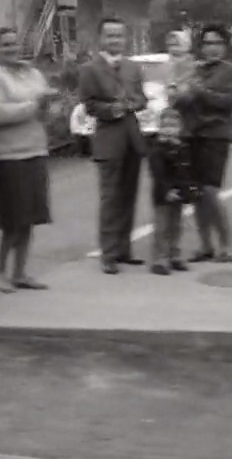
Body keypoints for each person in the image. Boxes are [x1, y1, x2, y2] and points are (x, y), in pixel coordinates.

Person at [0, 27, 55, 292]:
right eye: (5, 45)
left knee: (31, 218)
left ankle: (20, 272)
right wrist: (34, 106)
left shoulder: (33, 73)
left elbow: (47, 109)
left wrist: (51, 108)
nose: (11, 49)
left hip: (35, 150)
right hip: (8, 156)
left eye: (14, 43)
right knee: (12, 220)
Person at [79, 17, 147, 275]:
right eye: (110, 35)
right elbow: (89, 104)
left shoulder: (132, 67)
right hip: (108, 139)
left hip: (132, 138)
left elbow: (142, 98)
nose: (115, 40)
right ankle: (108, 255)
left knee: (129, 196)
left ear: (125, 38)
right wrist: (111, 109)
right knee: (110, 199)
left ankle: (124, 250)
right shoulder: (89, 69)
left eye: (119, 35)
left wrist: (134, 103)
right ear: (101, 38)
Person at [175, 23, 232, 263]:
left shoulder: (231, 71)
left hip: (216, 135)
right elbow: (181, 102)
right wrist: (181, 94)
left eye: (216, 43)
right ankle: (205, 245)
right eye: (207, 43)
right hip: (192, 135)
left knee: (212, 190)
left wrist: (200, 92)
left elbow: (228, 102)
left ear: (224, 46)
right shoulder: (193, 70)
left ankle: (225, 245)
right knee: (198, 192)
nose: (211, 48)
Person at [147, 108, 199, 275]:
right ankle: (160, 259)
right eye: (166, 126)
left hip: (178, 193)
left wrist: (189, 188)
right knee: (162, 226)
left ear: (179, 128)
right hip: (163, 194)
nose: (169, 129)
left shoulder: (182, 148)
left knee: (176, 225)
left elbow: (185, 170)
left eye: (173, 125)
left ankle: (174, 254)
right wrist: (167, 190)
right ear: (160, 128)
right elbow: (158, 173)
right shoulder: (157, 149)